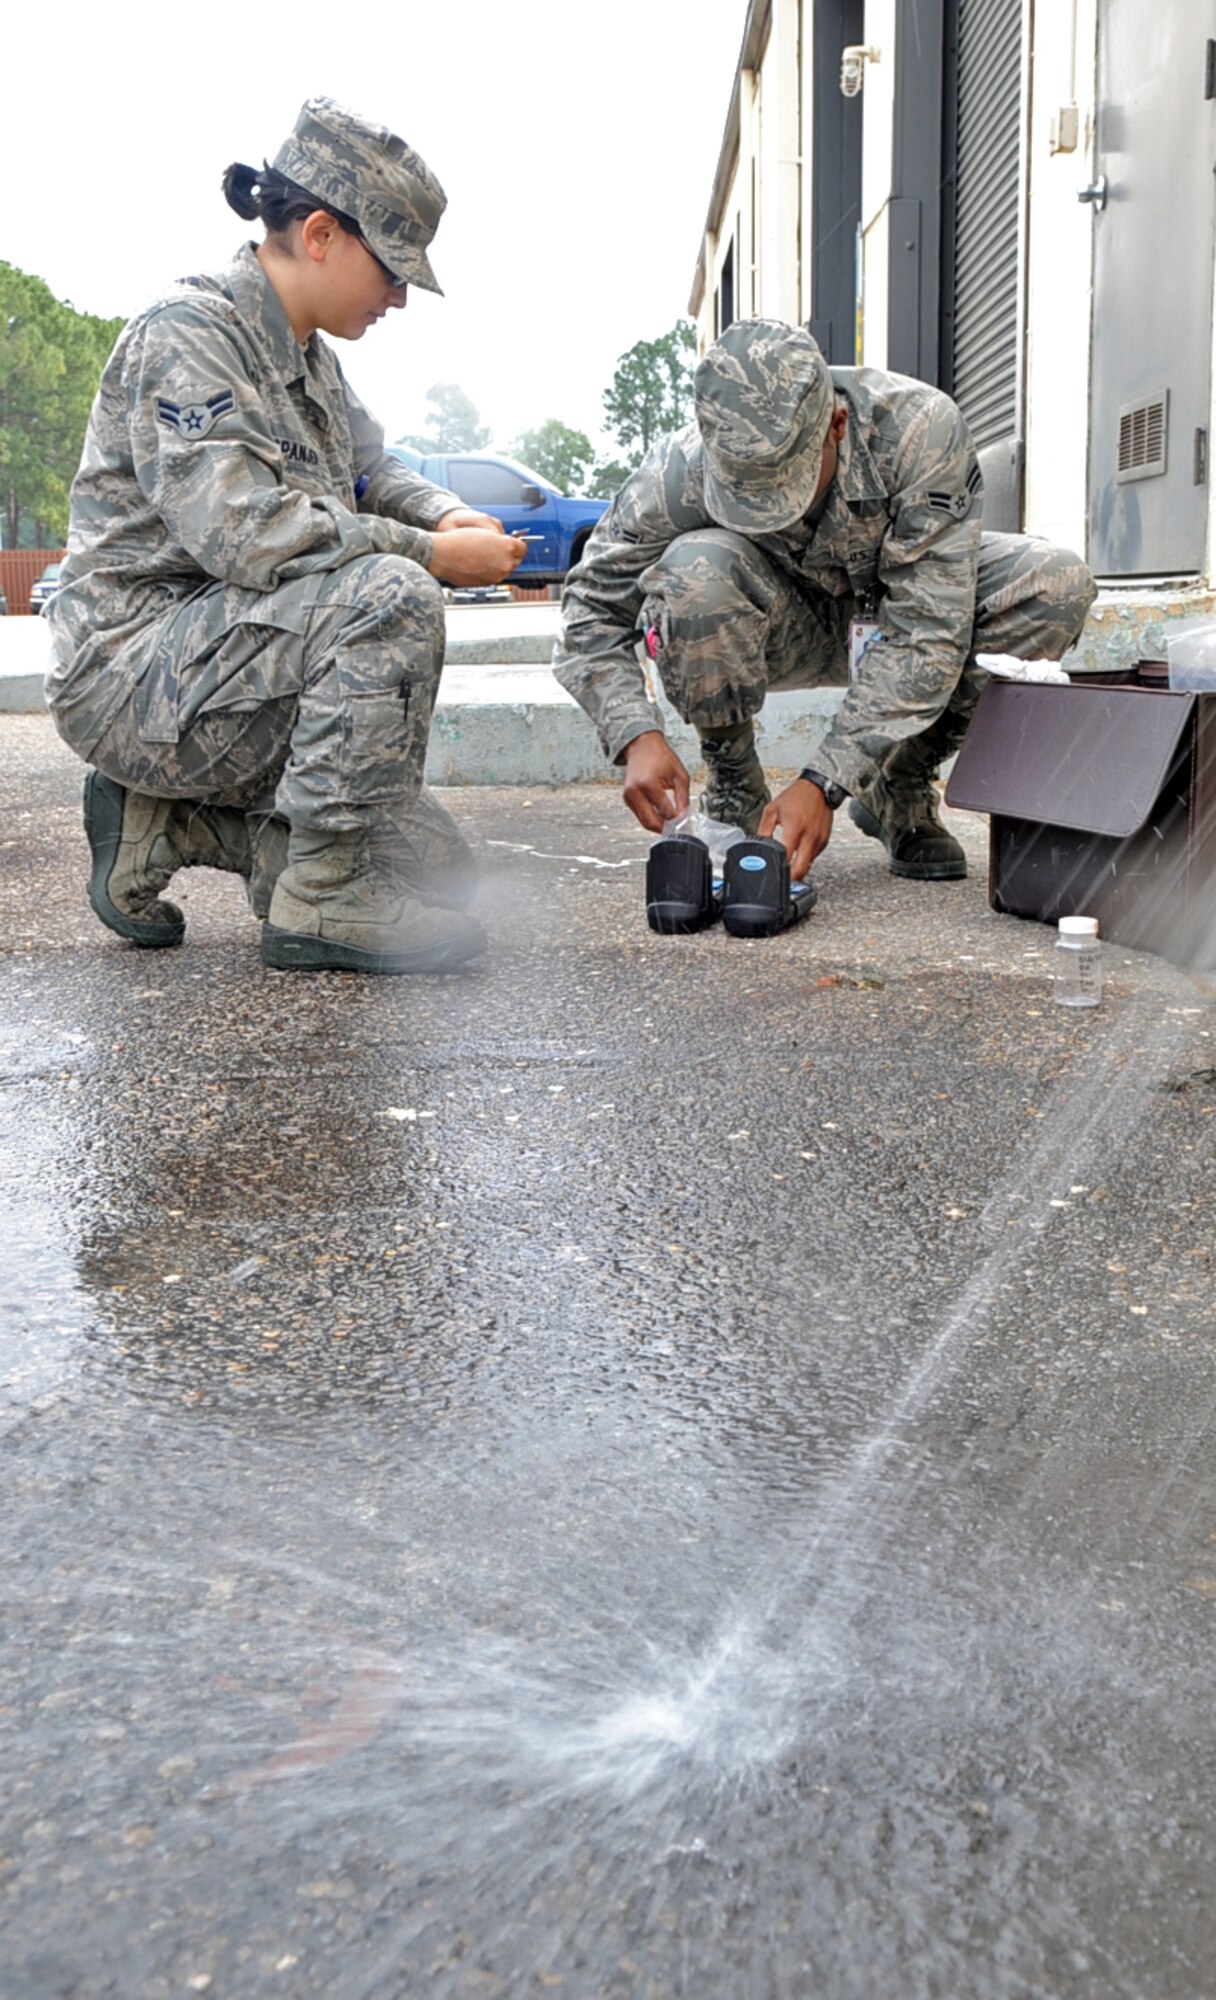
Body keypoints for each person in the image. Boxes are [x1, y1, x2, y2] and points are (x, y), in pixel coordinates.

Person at [46, 96, 525, 976]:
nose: (400, 299)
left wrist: (444, 514)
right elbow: (247, 534)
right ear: (319, 235)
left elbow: (378, 469)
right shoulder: (189, 335)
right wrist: (430, 556)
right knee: (392, 595)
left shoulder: (310, 359)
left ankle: (167, 820)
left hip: (233, 662)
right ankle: (323, 896)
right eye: (393, 271)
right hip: (133, 669)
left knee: (436, 870)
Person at [554, 319, 1097, 886]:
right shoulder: (676, 470)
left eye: (785, 489)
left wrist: (824, 782)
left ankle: (896, 783)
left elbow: (929, 631)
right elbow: (590, 607)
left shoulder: (921, 431)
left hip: (895, 616)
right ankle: (736, 785)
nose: (772, 515)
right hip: (774, 628)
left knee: (1055, 582)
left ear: (836, 424)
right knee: (698, 569)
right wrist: (635, 735)